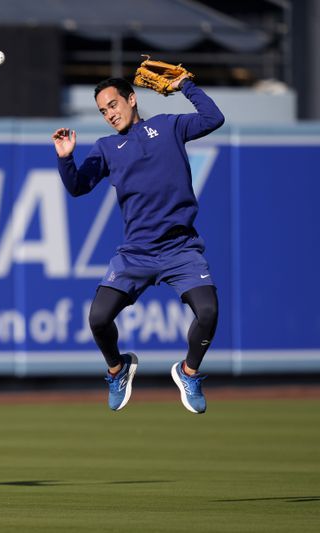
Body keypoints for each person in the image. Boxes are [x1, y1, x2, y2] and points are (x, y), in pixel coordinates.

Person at [52, 74, 224, 414]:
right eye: (103, 111)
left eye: (113, 104)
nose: (110, 114)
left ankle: (188, 373)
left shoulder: (168, 127)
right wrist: (65, 157)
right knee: (99, 319)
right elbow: (78, 186)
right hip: (137, 253)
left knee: (208, 311)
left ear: (132, 99)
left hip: (180, 248)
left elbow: (213, 118)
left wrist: (184, 86)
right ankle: (118, 370)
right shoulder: (106, 147)